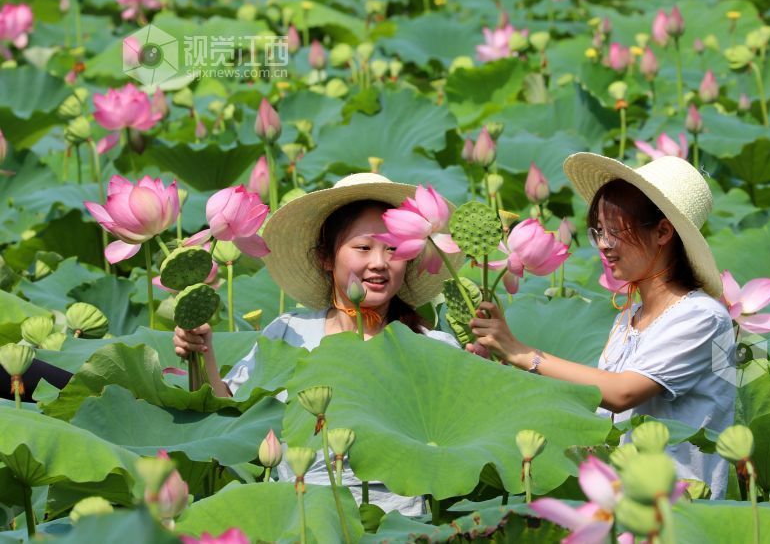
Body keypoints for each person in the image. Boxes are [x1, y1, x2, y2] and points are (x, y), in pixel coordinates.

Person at [173, 173, 462, 516]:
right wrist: (202, 350)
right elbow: (234, 421)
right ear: (327, 257)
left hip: (403, 522)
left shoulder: (433, 346)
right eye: (364, 247)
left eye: (393, 249)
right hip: (300, 516)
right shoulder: (289, 333)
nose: (380, 263)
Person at [469, 154, 736, 499]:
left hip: (679, 511)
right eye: (599, 232)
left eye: (616, 232)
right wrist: (504, 364)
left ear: (663, 232)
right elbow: (597, 405)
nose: (604, 246)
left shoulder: (701, 316)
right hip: (622, 503)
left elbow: (621, 393)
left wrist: (522, 353)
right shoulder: (630, 316)